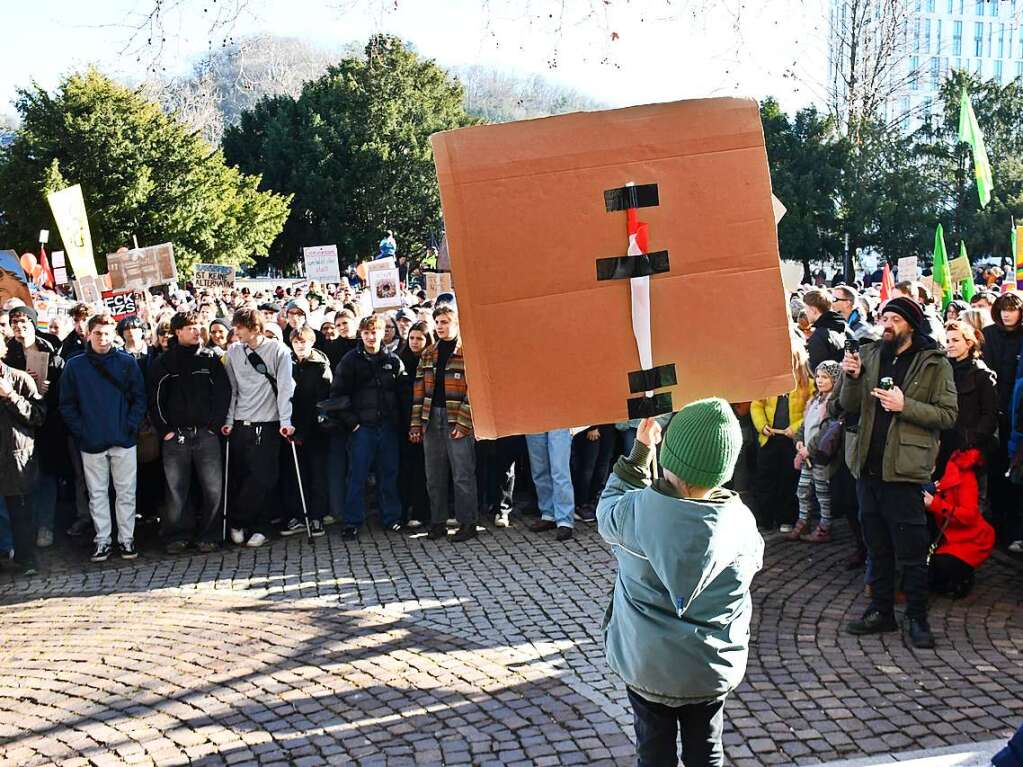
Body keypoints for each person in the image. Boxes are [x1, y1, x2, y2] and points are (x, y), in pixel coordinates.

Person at [597, 402, 763, 767]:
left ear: (670, 454)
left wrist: (640, 454)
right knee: (707, 748)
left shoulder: (636, 510)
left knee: (653, 750)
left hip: (648, 663)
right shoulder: (742, 524)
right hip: (709, 668)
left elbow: (607, 509)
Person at [840, 296, 957, 649]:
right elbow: (848, 405)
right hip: (868, 468)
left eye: (894, 318)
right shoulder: (872, 353)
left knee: (911, 549)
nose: (886, 323)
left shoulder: (934, 363)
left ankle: (918, 618)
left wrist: (906, 406)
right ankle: (881, 612)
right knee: (877, 546)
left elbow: (948, 415)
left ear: (911, 323)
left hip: (904, 471)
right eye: (883, 317)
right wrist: (854, 378)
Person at [59, 313, 148, 562]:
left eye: (107, 333)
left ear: (114, 335)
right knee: (97, 494)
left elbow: (140, 398)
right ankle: (103, 540)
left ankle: (126, 539)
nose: (102, 337)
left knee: (126, 493)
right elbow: (67, 404)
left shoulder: (126, 362)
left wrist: (129, 426)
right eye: (97, 333)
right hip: (92, 441)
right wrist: (82, 431)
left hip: (123, 438)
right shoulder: (75, 365)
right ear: (88, 334)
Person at [148, 310, 232, 554]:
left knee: (213, 488)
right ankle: (177, 535)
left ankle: (210, 534)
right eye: (190, 327)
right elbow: (155, 399)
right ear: (177, 332)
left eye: (198, 326)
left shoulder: (211, 359)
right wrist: (165, 430)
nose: (196, 331)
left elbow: (223, 394)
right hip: (176, 437)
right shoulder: (164, 362)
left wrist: (214, 426)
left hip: (207, 434)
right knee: (176, 489)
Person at [223, 307, 295, 549]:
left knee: (264, 477)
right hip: (241, 423)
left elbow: (286, 388)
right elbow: (231, 388)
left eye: (240, 328)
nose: (235, 332)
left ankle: (245, 520)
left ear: (254, 328)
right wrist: (229, 420)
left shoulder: (279, 351)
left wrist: (285, 421)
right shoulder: (233, 352)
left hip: (269, 422)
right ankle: (249, 524)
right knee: (243, 475)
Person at [331, 315, 408, 539]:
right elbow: (338, 395)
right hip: (362, 428)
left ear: (383, 332)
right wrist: (352, 423)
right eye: (366, 333)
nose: (371, 337)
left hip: (387, 427)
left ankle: (391, 518)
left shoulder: (393, 360)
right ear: (361, 334)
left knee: (389, 474)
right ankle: (352, 521)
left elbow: (403, 394)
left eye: (374, 332)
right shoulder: (349, 360)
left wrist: (401, 424)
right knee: (357, 475)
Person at [410, 305, 479, 542]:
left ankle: (468, 522)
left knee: (462, 473)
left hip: (457, 417)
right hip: (432, 419)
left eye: (445, 322)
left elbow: (475, 391)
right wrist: (416, 424)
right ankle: (438, 522)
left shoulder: (467, 350)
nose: (440, 326)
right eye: (437, 322)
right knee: (434, 475)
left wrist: (463, 422)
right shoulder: (429, 353)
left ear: (456, 324)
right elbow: (419, 389)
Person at [3, 305, 65, 549]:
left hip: (48, 424)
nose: (19, 326)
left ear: (33, 323)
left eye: (23, 321)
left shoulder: (51, 350)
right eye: (14, 322)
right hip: (18, 426)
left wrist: (49, 390)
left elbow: (64, 388)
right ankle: (26, 531)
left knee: (48, 475)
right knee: (24, 480)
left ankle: (45, 526)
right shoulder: (8, 355)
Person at [751, 338, 812, 532]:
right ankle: (765, 518)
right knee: (765, 478)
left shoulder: (807, 384)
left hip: (791, 440)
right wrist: (762, 426)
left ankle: (787, 518)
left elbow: (810, 411)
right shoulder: (769, 381)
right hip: (769, 438)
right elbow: (756, 404)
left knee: (789, 479)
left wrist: (794, 428)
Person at [0, 331, 46, 575]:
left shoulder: (19, 379)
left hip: (15, 457)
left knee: (21, 513)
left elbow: (38, 416)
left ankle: (26, 559)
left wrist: (11, 397)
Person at [280, 325, 331, 538]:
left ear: (311, 342)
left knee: (316, 474)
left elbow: (322, 400)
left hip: (314, 429)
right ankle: (298, 515)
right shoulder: (287, 363)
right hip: (292, 426)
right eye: (296, 342)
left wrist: (305, 430)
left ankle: (317, 516)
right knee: (295, 475)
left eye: (303, 341)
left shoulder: (320, 366)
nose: (300, 346)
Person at [924, 448, 994, 599]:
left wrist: (935, 504)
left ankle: (961, 578)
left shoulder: (963, 476)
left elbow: (969, 515)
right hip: (943, 537)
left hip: (969, 540)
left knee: (939, 568)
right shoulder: (924, 471)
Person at [982, 291, 1023, 541]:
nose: (1007, 313)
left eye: (1012, 308)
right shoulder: (989, 334)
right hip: (995, 412)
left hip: (1017, 414)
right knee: (995, 471)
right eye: (1003, 308)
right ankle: (996, 523)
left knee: (1016, 474)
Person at [939, 320, 997, 484]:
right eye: (948, 340)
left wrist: (972, 440)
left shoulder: (982, 374)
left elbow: (990, 414)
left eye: (956, 340)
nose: (950, 345)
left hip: (969, 448)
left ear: (969, 343)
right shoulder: (942, 371)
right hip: (944, 445)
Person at [791, 361, 842, 542]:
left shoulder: (833, 403)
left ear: (835, 380)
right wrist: (798, 441)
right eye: (818, 376)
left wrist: (809, 448)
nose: (820, 380)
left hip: (821, 457)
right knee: (803, 489)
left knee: (822, 492)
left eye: (825, 377)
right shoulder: (814, 400)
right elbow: (805, 425)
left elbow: (826, 430)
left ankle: (825, 527)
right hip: (806, 456)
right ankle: (803, 521)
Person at [398, 321, 433, 527]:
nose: (414, 342)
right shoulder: (400, 360)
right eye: (411, 337)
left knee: (424, 470)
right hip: (403, 423)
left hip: (426, 422)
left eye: (419, 338)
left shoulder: (431, 361)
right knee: (406, 469)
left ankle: (422, 510)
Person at [526, 429, 576, 541]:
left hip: (559, 417)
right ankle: (548, 514)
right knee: (539, 469)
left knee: (559, 470)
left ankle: (565, 520)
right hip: (532, 417)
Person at [802, 288, 849, 369]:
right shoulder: (844, 327)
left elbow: (818, 373)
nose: (806, 313)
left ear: (813, 310)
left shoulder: (819, 336)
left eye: (806, 309)